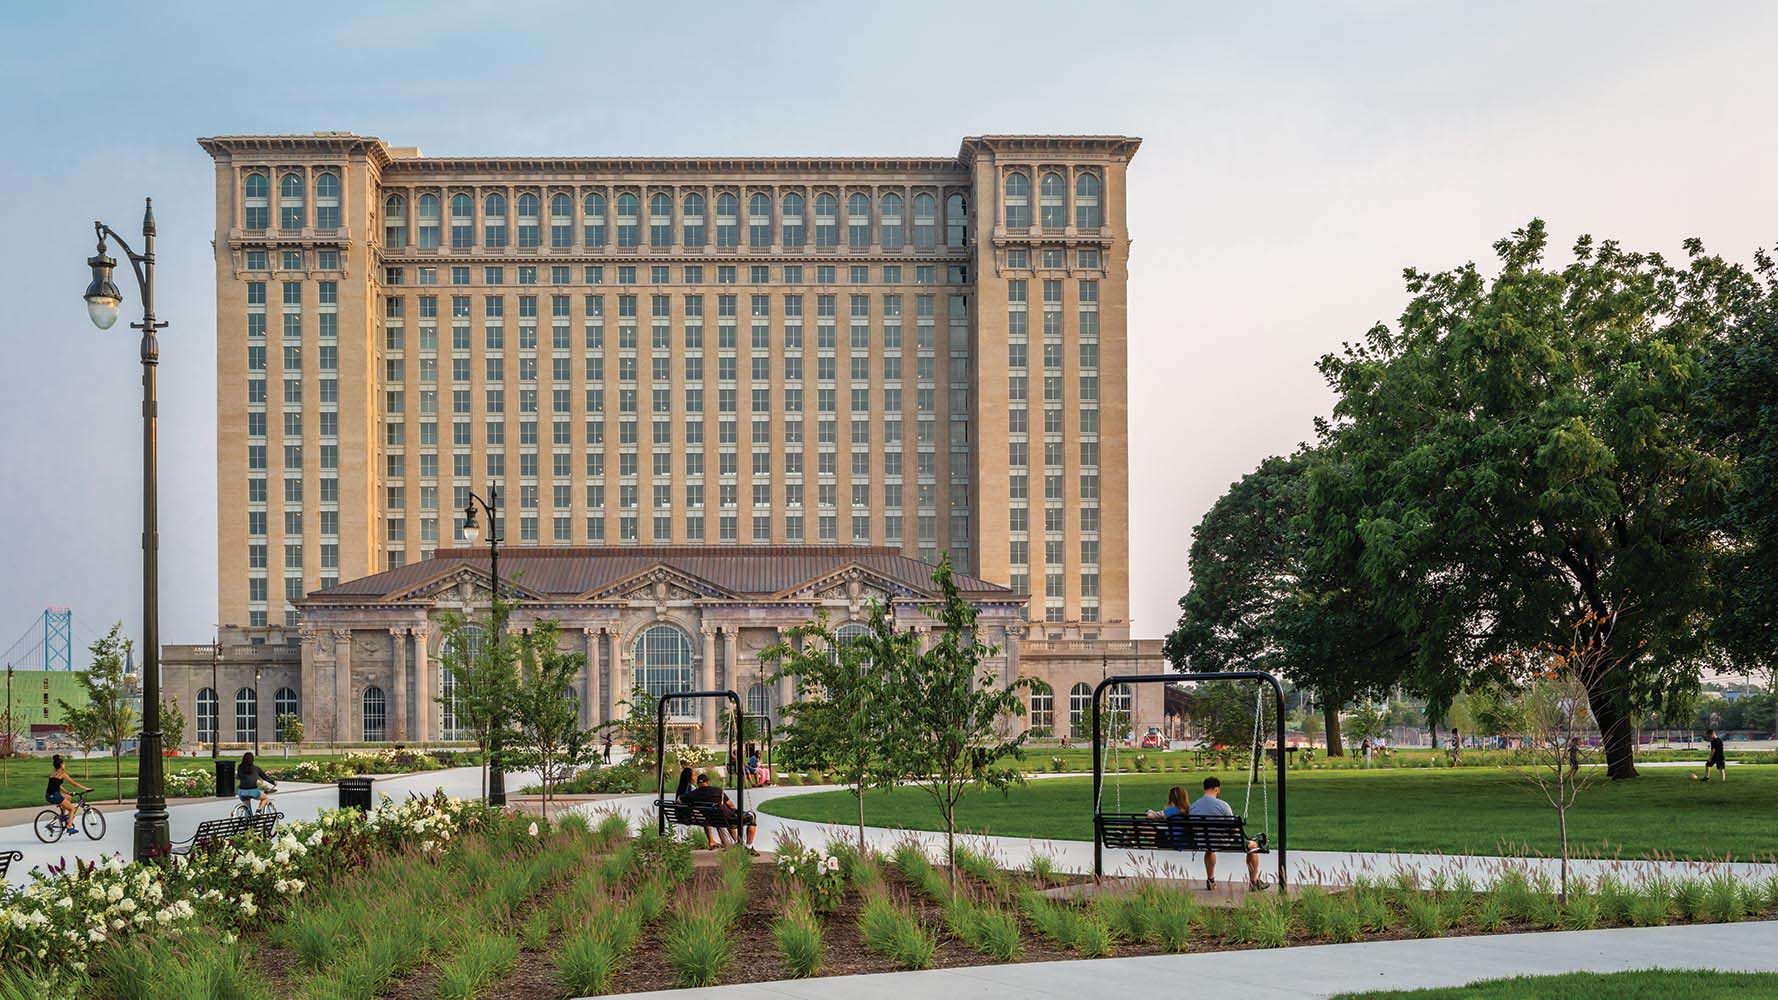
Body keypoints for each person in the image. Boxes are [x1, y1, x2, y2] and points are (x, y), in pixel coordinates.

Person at [1188, 776, 1268, 891]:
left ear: (1204, 789)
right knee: (1253, 846)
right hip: (1222, 842)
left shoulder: (1194, 806)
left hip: (1203, 841)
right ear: (1217, 789)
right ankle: (1254, 882)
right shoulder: (1222, 805)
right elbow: (1234, 829)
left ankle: (1210, 880)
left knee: (1210, 849)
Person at [688, 773, 758, 853]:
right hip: (728, 818)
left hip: (713, 819)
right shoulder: (717, 791)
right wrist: (734, 811)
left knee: (728, 820)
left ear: (698, 784)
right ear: (707, 782)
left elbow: (680, 799)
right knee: (752, 818)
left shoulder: (693, 794)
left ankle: (737, 842)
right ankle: (748, 846)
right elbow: (730, 805)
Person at [45, 754, 91, 833]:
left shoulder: (52, 774)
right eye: (64, 764)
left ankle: (62, 816)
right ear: (61, 765)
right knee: (72, 809)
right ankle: (69, 827)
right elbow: (74, 784)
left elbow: (58, 786)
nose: (65, 765)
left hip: (48, 796)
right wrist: (85, 788)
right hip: (56, 796)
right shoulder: (63, 774)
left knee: (68, 797)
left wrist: (67, 792)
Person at [236, 751, 278, 815]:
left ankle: (248, 820)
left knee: (248, 809)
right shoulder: (256, 768)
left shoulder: (240, 767)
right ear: (252, 760)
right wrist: (273, 782)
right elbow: (265, 777)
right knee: (265, 798)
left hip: (241, 792)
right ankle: (258, 811)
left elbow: (238, 777)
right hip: (252, 791)